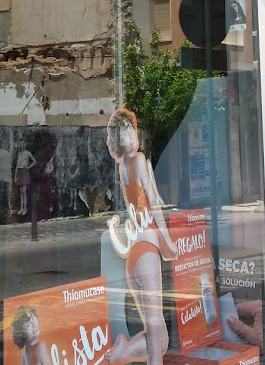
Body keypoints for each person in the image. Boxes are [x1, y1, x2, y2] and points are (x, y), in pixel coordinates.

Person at [104, 108, 178, 365]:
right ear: (120, 139)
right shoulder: (138, 160)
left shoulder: (123, 167)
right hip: (147, 247)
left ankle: (123, 351)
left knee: (161, 339)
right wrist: (167, 241)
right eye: (126, 132)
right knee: (156, 323)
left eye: (132, 129)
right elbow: (154, 205)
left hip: (134, 257)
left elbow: (136, 205)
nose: (132, 135)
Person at [15, 145, 36, 216]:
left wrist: (28, 167)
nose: (22, 145)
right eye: (21, 144)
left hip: (24, 171)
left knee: (24, 191)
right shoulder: (19, 153)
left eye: (23, 144)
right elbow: (17, 165)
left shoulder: (27, 152)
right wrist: (15, 176)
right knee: (21, 191)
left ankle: (25, 208)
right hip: (19, 171)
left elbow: (34, 161)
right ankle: (21, 208)